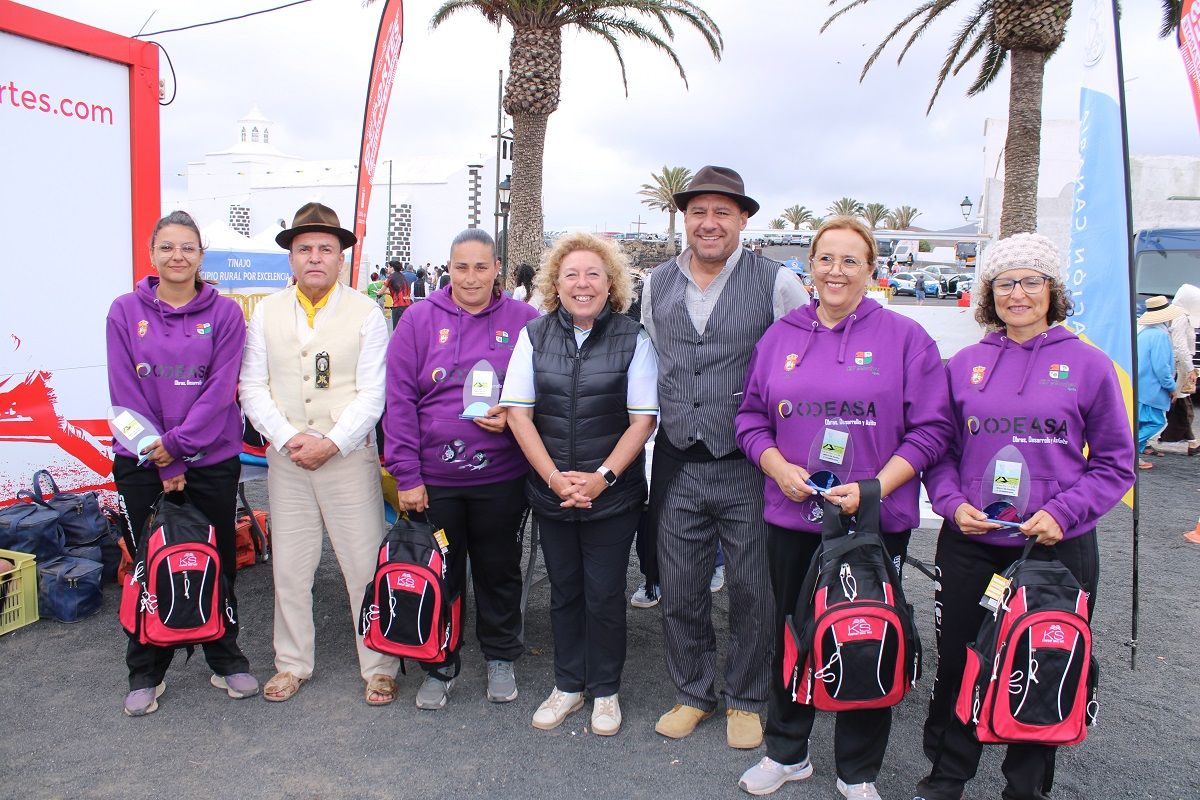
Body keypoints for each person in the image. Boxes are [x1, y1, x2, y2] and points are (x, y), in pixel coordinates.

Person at [734, 216, 952, 798]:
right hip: (792, 516)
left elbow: (932, 430)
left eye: (850, 260)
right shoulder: (780, 336)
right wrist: (776, 466)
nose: (835, 270)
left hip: (873, 523)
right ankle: (787, 752)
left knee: (866, 635)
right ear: (809, 265)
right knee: (789, 630)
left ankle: (857, 770)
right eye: (825, 258)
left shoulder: (907, 338)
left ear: (871, 270)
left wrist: (876, 486)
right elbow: (751, 418)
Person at [916, 232, 1135, 800]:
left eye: (1031, 281)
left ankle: (1026, 785)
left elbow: (1115, 464)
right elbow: (939, 451)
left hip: (1055, 547)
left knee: (1042, 658)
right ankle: (946, 775)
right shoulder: (964, 364)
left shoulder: (1089, 365)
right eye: (1005, 282)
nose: (1018, 293)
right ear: (989, 292)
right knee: (961, 658)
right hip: (973, 540)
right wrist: (951, 505)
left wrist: (1063, 513)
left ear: (1052, 290)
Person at [640, 165, 809, 749]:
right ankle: (692, 691)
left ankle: (745, 695)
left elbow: (799, 366)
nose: (708, 224)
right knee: (680, 584)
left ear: (742, 219)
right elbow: (659, 357)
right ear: (685, 219)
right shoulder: (655, 283)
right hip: (679, 456)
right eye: (697, 213)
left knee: (752, 587)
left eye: (721, 213)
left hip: (749, 461)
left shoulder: (778, 283)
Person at [239, 202, 400, 705]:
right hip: (287, 461)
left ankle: (380, 663)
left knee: (363, 567)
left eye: (324, 249)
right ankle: (291, 662)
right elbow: (251, 386)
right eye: (304, 248)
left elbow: (374, 392)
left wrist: (332, 442)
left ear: (341, 256)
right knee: (290, 567)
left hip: (347, 458)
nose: (314, 257)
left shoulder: (367, 312)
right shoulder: (265, 311)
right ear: (291, 257)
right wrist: (288, 439)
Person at [502, 232, 659, 736]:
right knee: (565, 592)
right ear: (555, 283)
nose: (582, 283)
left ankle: (606, 691)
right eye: (571, 274)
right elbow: (519, 415)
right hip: (552, 493)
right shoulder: (534, 336)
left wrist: (601, 479)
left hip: (612, 496)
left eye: (594, 273)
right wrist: (554, 479)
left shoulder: (633, 338)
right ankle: (568, 685)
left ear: (610, 283)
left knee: (605, 594)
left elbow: (642, 420)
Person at [107, 210, 258, 716]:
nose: (178, 256)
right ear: (152, 254)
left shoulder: (227, 314)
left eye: (188, 247)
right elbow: (124, 392)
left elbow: (221, 389)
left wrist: (181, 447)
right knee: (148, 563)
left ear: (201, 254)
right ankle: (146, 668)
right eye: (168, 247)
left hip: (211, 459)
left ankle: (223, 656)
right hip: (142, 461)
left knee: (219, 561)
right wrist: (161, 454)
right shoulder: (125, 311)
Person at [383, 229, 539, 710]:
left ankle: (500, 656)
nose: (470, 277)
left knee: (498, 570)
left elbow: (546, 392)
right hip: (436, 482)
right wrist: (407, 476)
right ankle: (440, 662)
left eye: (480, 266)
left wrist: (515, 418)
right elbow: (399, 400)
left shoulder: (526, 320)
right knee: (442, 573)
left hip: (502, 478)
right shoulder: (417, 320)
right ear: (447, 268)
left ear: (498, 269)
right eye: (461, 266)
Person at [1149, 294, 1197, 453]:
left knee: (1179, 403)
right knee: (1179, 403)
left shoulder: (1174, 316)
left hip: (1175, 365)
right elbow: (1180, 346)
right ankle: (1146, 439)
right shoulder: (1181, 317)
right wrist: (1190, 369)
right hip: (1177, 367)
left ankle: (1191, 441)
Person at [1136, 298, 1180, 470]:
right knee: (1157, 422)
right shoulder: (1160, 335)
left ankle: (1134, 457)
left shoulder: (1143, 331)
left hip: (1139, 386)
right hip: (1152, 389)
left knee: (1138, 422)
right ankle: (1131, 452)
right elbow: (1162, 368)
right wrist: (1172, 387)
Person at [386, 259, 412, 327]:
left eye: (388, 266)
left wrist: (379, 293)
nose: (387, 268)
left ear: (392, 267)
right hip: (407, 304)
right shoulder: (403, 276)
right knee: (405, 326)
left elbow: (382, 290)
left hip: (397, 305)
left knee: (396, 327)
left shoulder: (392, 276)